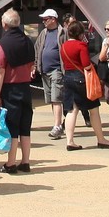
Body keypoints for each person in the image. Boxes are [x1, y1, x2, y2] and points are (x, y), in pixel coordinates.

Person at [60, 19, 109, 149]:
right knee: (93, 110)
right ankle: (101, 139)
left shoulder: (64, 46)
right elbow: (86, 65)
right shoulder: (81, 46)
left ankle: (70, 141)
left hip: (68, 77)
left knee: (72, 110)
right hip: (81, 79)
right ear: (80, 33)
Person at [0, 9, 36, 173]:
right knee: (25, 126)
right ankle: (25, 161)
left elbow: (1, 71)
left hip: (10, 88)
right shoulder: (28, 41)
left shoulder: (2, 45)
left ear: (4, 24)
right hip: (25, 87)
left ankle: (10, 163)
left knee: (12, 126)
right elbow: (32, 64)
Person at [36, 8, 65, 138]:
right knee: (52, 100)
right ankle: (58, 123)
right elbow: (37, 48)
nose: (44, 21)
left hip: (57, 70)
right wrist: (35, 65)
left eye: (46, 19)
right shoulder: (44, 33)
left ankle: (57, 125)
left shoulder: (62, 32)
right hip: (45, 70)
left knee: (56, 98)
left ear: (53, 19)